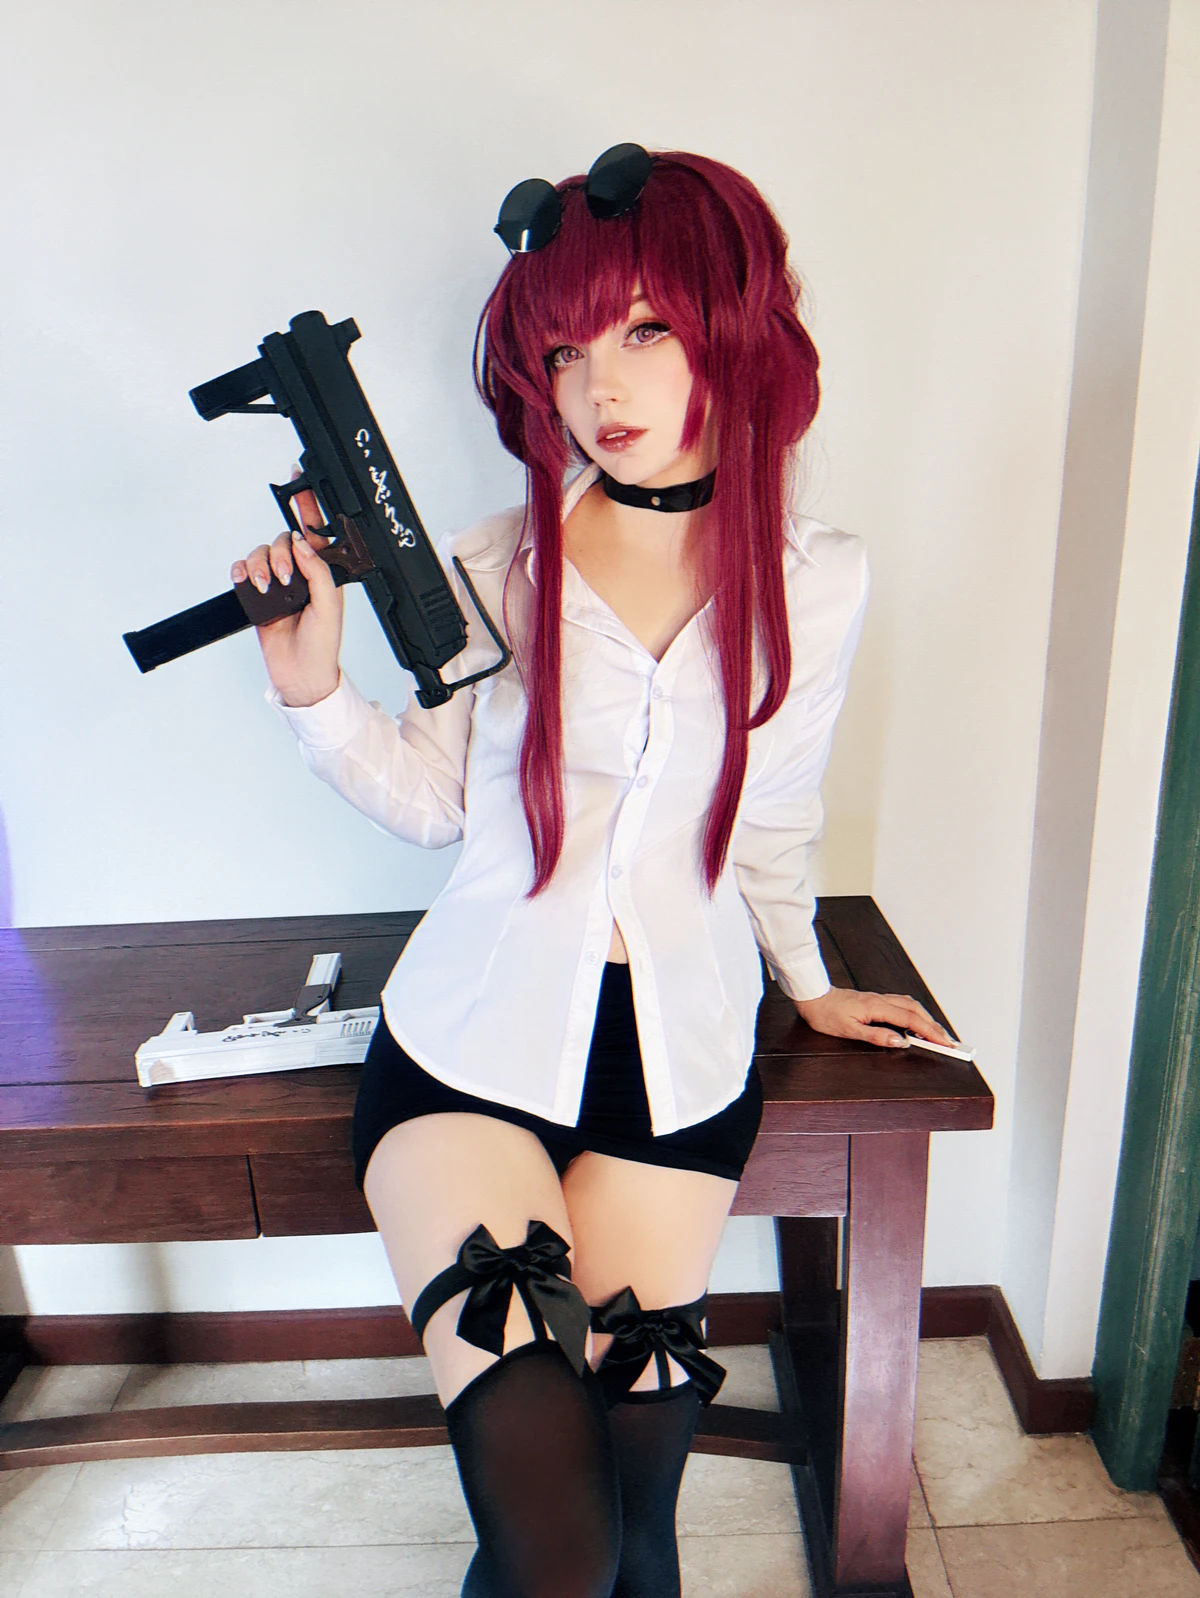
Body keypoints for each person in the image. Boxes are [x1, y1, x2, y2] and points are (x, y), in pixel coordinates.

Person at [232, 145, 951, 1598]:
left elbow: (772, 813)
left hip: (676, 1069)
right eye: (564, 350)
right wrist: (312, 688)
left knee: (635, 1532)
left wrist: (808, 983)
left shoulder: (819, 576)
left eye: (642, 331)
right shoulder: (500, 562)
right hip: (469, 1054)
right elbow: (439, 803)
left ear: (732, 329)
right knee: (554, 1544)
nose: (598, 387)